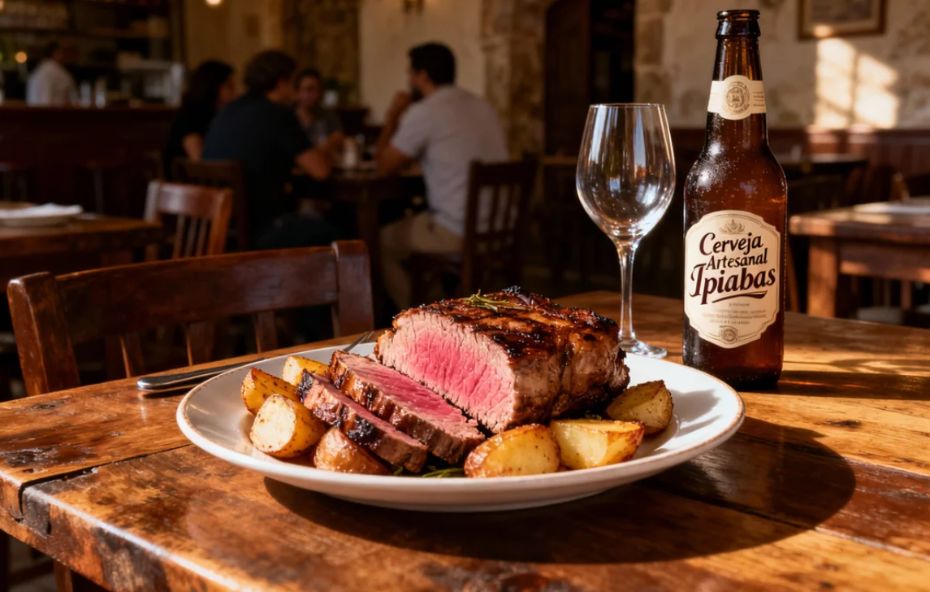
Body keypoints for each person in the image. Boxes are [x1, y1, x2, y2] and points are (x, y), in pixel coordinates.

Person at [375, 42, 508, 309]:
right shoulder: (481, 105)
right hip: (499, 228)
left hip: (457, 230)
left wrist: (393, 114)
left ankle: (414, 315)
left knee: (380, 241)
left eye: (410, 73)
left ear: (422, 76)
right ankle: (437, 307)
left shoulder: (425, 111)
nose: (409, 80)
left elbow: (383, 165)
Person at [203, 50, 334, 249]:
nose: (296, 92)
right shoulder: (278, 114)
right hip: (263, 231)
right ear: (282, 82)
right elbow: (321, 171)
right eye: (294, 84)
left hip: (220, 229)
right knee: (341, 233)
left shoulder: (228, 111)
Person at [164, 60, 236, 171]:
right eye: (229, 86)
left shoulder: (217, 115)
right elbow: (200, 162)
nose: (235, 93)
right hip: (188, 184)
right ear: (213, 87)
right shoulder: (192, 116)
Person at [294, 68, 343, 150]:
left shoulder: (327, 115)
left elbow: (338, 136)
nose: (315, 95)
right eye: (309, 89)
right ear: (297, 92)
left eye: (318, 90)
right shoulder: (288, 116)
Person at [26, 41, 77, 106]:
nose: (67, 55)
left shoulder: (40, 70)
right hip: (52, 113)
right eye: (63, 52)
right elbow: (46, 100)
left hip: (38, 113)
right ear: (55, 53)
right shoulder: (52, 72)